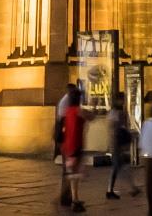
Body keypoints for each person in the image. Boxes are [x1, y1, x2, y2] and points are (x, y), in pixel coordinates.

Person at [60, 85, 87, 213]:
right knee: (75, 175)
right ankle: (74, 201)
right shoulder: (77, 110)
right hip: (76, 146)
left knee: (72, 175)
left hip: (68, 146)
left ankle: (73, 199)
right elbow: (90, 117)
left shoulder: (68, 111)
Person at [107, 96, 138, 198]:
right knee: (120, 168)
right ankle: (130, 188)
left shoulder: (114, 113)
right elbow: (116, 129)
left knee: (120, 167)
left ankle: (131, 187)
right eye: (121, 100)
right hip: (117, 144)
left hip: (116, 144)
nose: (123, 102)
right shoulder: (116, 113)